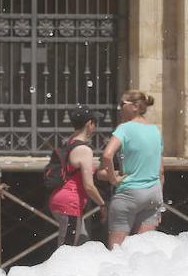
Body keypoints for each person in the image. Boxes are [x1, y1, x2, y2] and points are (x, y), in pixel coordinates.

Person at [99, 90, 163, 247]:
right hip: (154, 194)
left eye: (122, 104)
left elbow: (107, 155)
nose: (119, 108)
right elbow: (161, 170)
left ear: (135, 107)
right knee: (144, 251)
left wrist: (113, 179)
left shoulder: (125, 128)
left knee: (117, 252)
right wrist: (160, 205)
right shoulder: (155, 130)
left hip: (129, 194)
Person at [49, 109, 101, 248]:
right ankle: (58, 270)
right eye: (95, 123)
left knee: (81, 241)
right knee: (66, 249)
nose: (95, 127)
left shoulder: (70, 142)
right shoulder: (84, 150)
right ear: (89, 124)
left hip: (61, 199)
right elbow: (89, 186)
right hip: (69, 204)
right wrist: (102, 205)